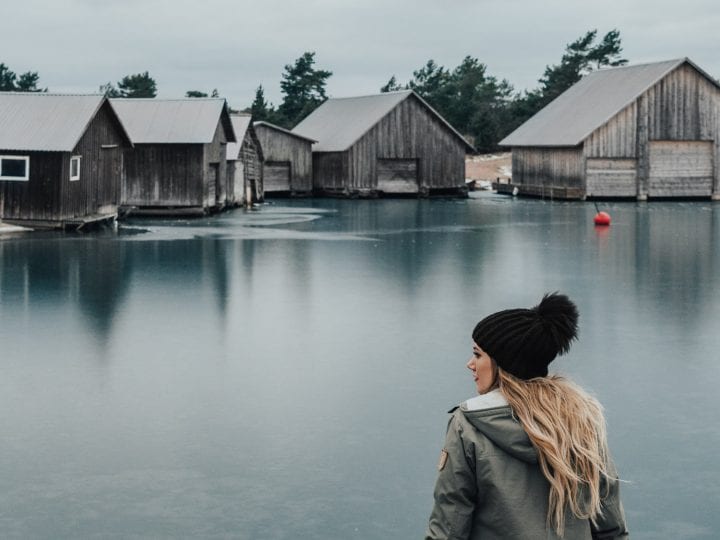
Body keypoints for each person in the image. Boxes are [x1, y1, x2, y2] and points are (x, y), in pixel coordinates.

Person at [425, 293, 629, 539]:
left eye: (478, 354)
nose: (470, 364)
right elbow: (611, 529)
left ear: (504, 363)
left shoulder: (467, 427)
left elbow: (448, 530)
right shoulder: (582, 424)